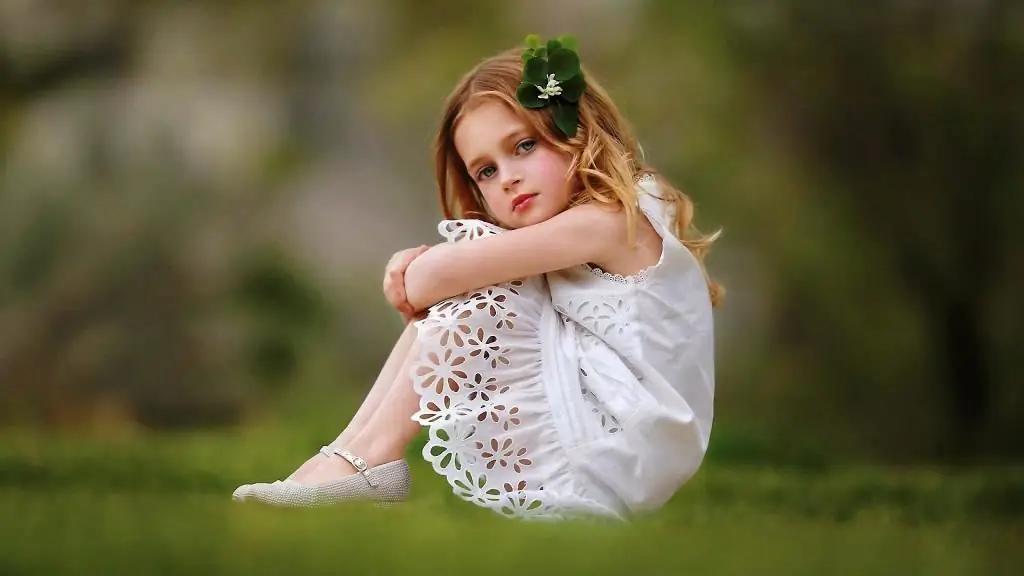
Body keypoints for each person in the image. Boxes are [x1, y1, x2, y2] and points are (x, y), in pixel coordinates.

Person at [232, 34, 723, 521]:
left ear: (579, 132)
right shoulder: (580, 231)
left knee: (482, 277)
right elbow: (439, 279)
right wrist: (431, 275)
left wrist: (412, 268)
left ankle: (369, 457)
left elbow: (430, 281)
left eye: (524, 146)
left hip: (615, 449)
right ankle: (347, 455)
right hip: (592, 429)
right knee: (479, 272)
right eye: (485, 171)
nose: (507, 177)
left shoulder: (608, 221)